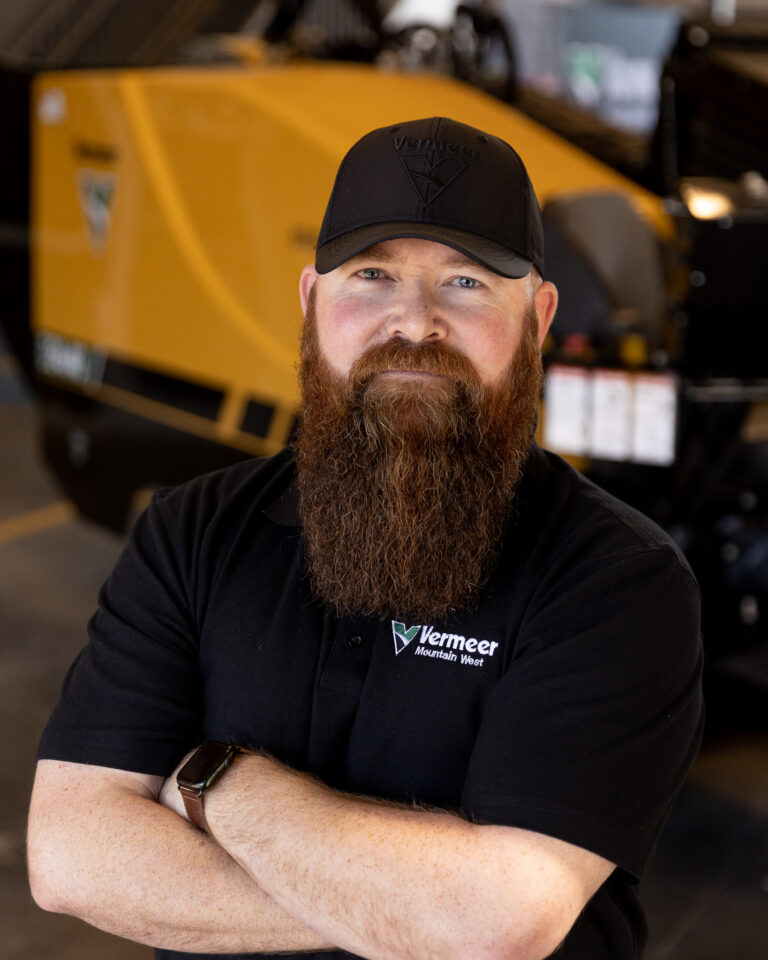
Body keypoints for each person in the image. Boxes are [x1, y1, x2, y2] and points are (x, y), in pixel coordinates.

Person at [27, 116, 703, 960]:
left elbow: (494, 927)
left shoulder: (618, 582)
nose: (413, 323)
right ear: (312, 300)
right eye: (373, 274)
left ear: (538, 315)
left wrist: (218, 785)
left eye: (465, 283)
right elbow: (70, 857)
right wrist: (414, 908)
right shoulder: (192, 533)